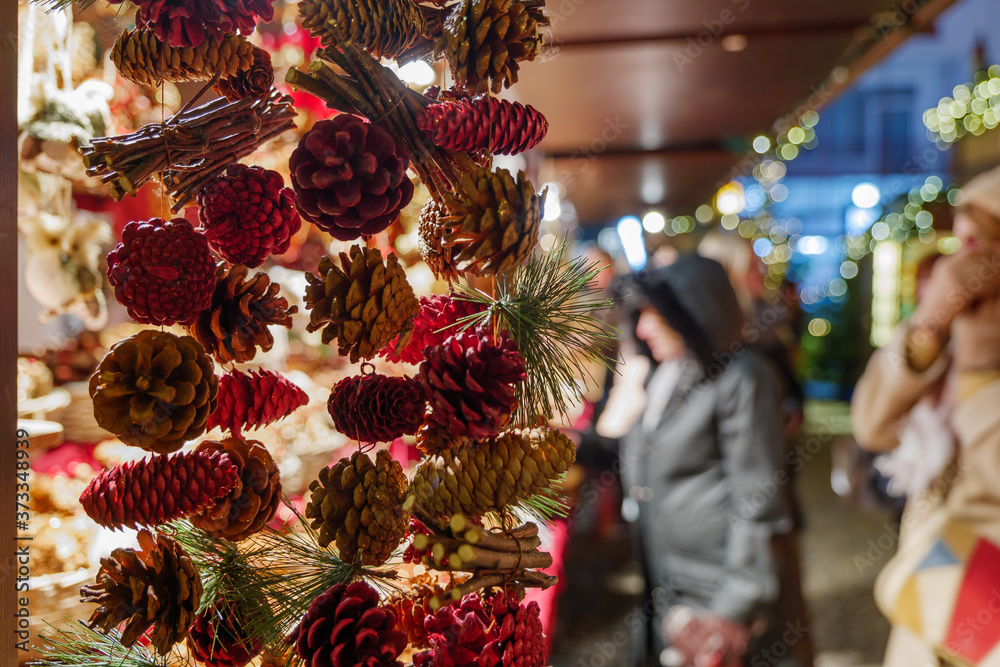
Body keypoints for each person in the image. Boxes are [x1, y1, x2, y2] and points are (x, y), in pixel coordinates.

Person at [852, 166, 1000, 667]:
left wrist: (982, 372)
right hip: (939, 597)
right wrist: (929, 329)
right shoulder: (957, 334)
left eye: (983, 244)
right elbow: (872, 425)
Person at [619, 255, 798, 667]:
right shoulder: (671, 373)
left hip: (716, 588)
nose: (644, 327)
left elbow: (759, 501)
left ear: (696, 311)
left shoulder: (742, 378)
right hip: (675, 582)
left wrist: (733, 608)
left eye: (654, 313)